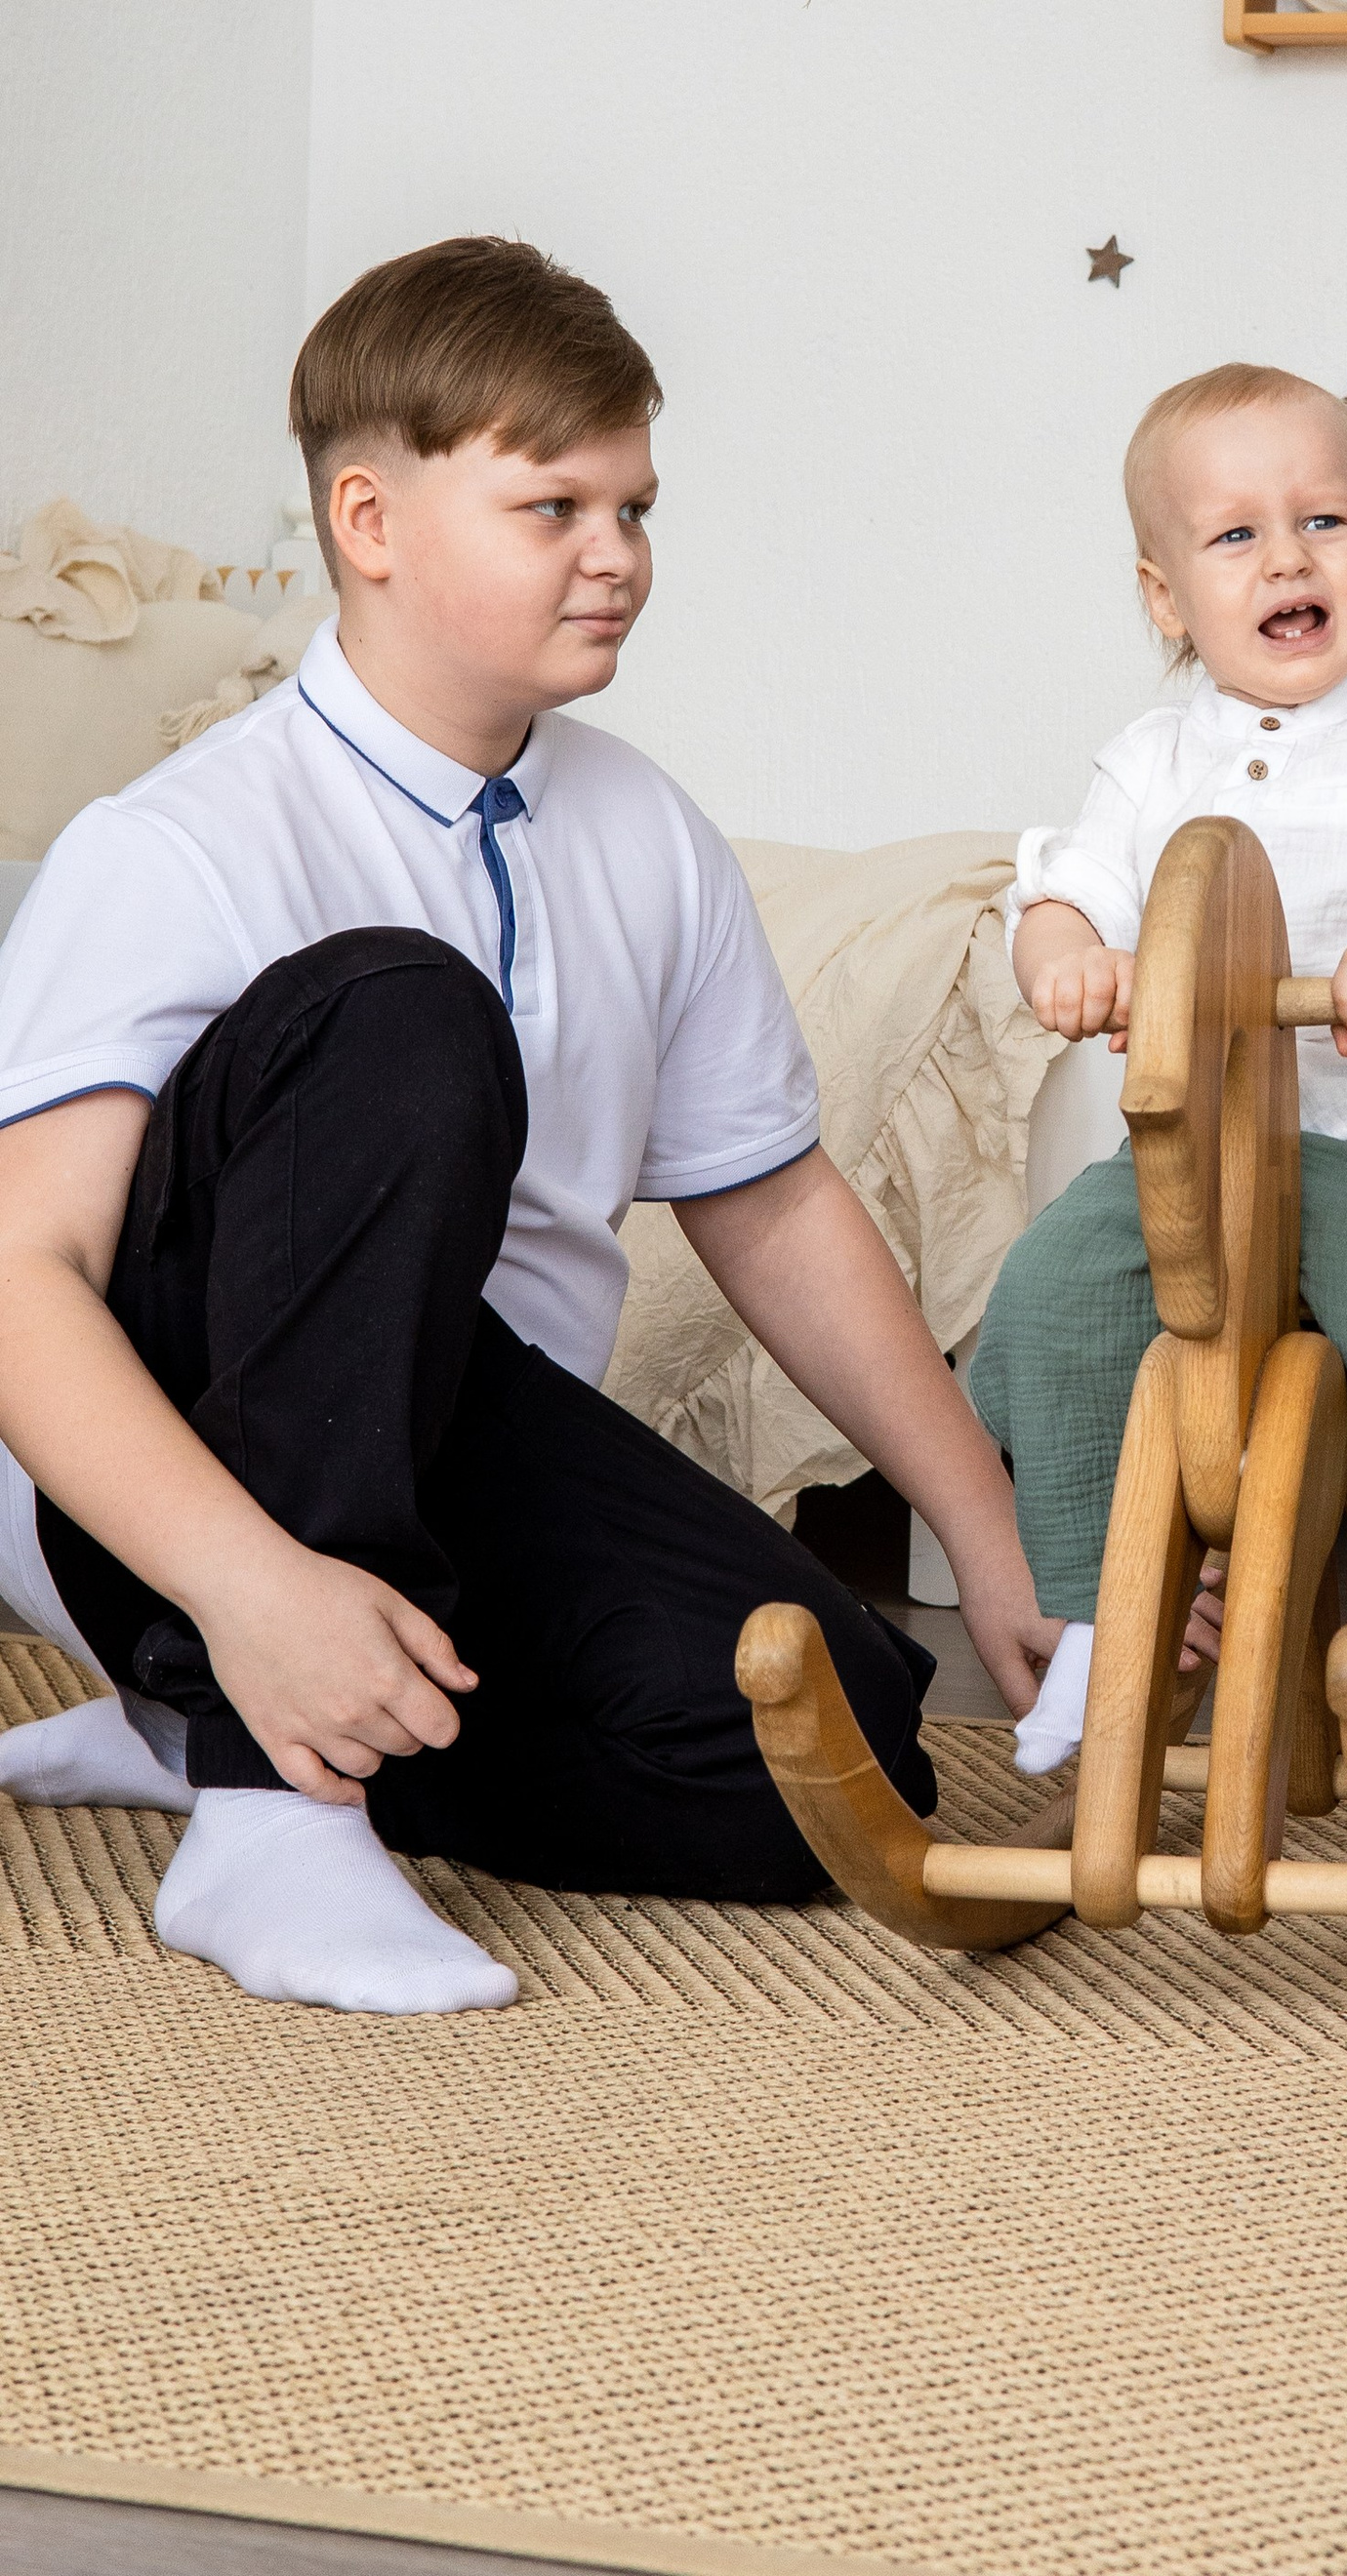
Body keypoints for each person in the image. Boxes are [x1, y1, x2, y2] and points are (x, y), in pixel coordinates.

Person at [0, 237, 1052, 2015]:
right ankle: (266, 1790)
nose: (617, 553)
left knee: (838, 1748)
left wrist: (988, 1532)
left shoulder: (647, 833)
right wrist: (246, 1588)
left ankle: (216, 1719)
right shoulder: (180, 845)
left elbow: (772, 1203)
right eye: (553, 506)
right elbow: (21, 1280)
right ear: (369, 520)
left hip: (471, 1447)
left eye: (636, 507)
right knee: (402, 1008)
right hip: (174, 1477)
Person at [967, 362, 1347, 1880]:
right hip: (1210, 1149)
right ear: (1166, 597)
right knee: (1048, 1300)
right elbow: (1066, 892)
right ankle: (1100, 1620)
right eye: (1235, 536)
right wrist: (1068, 959)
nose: (1288, 559)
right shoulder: (1152, 758)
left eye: (1325, 521)